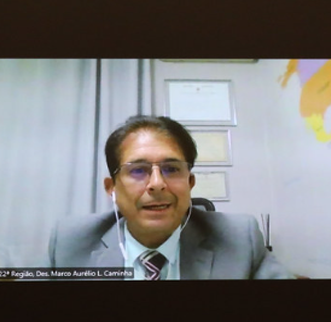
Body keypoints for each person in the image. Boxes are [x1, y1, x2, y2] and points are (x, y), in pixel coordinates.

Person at [49, 116, 293, 280]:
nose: (157, 184)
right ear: (111, 187)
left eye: (172, 169)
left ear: (190, 183)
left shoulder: (239, 238)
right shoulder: (71, 243)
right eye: (138, 170)